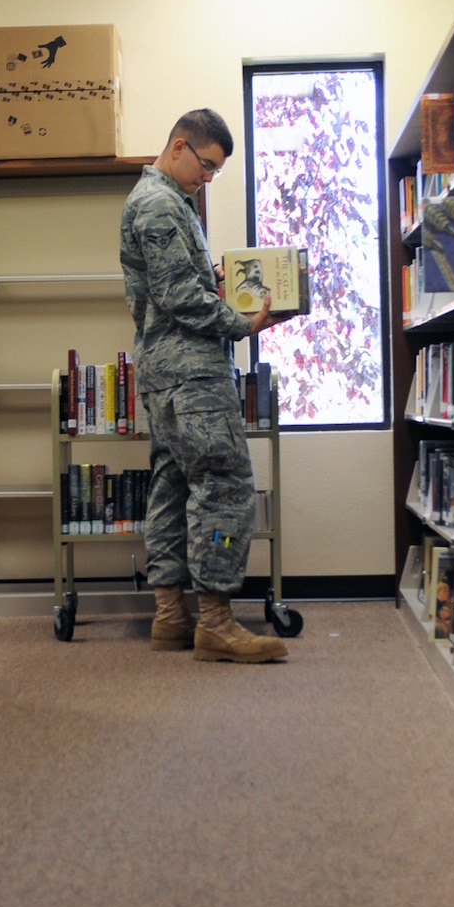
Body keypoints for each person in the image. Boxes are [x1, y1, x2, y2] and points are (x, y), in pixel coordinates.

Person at [120, 108, 288, 663]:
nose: (208, 178)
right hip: (192, 375)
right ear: (178, 147)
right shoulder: (164, 204)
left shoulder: (161, 202)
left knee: (171, 487)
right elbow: (179, 299)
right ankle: (215, 621)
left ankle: (172, 616)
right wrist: (242, 323)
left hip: (165, 376)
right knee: (225, 487)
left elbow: (177, 286)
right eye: (207, 166)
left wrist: (213, 279)